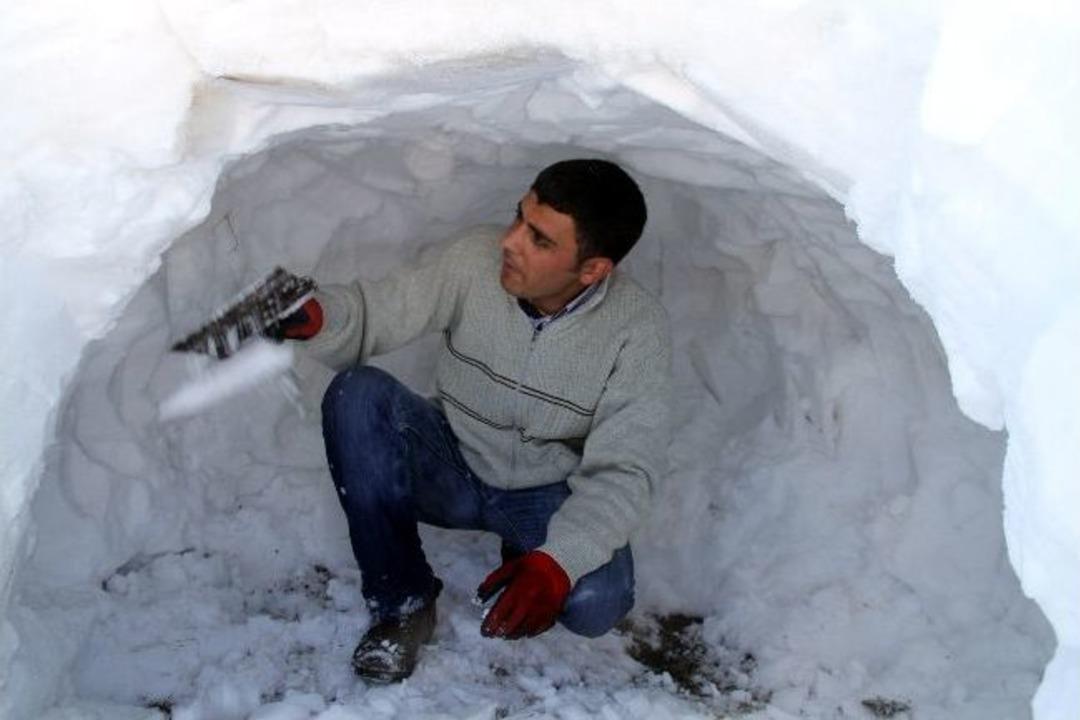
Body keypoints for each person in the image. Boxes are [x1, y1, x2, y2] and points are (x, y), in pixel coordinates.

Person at [283, 158, 673, 683]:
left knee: (595, 603)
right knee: (357, 395)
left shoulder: (637, 331)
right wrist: (320, 316)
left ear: (592, 270)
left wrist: (558, 561)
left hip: (545, 493)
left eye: (539, 239)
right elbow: (382, 309)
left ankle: (527, 551)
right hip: (453, 465)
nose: (510, 241)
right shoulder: (473, 259)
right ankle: (403, 604)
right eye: (519, 218)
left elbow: (625, 471)